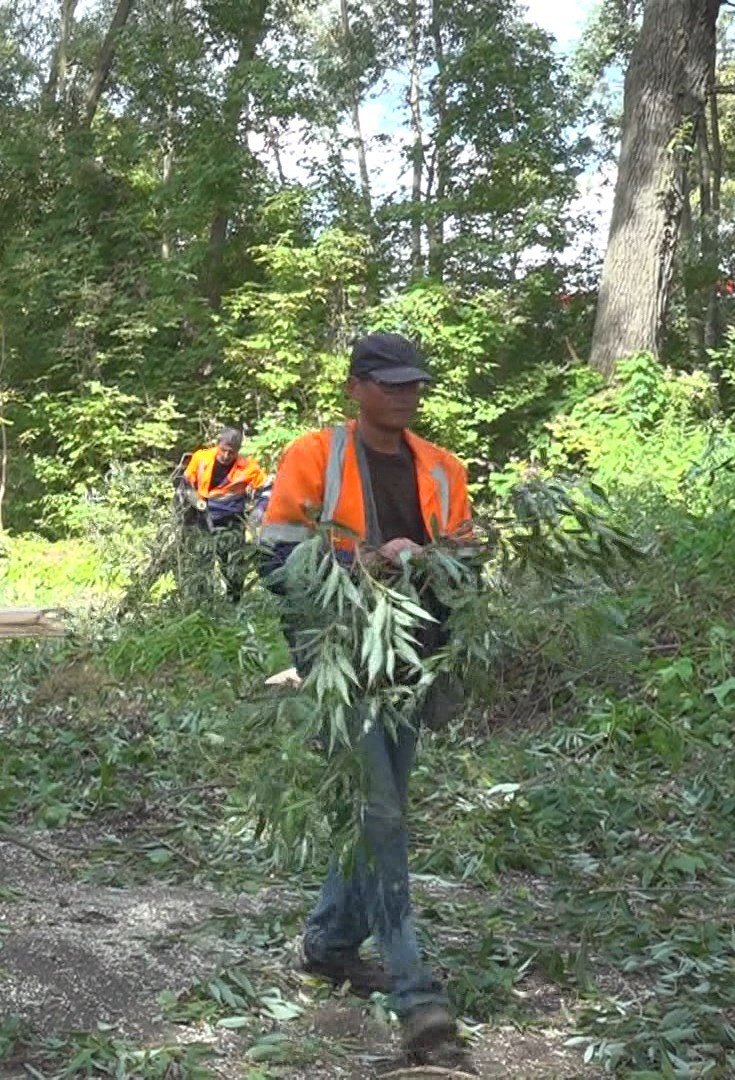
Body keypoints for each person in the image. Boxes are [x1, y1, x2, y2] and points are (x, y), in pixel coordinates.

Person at [257, 332, 476, 1067]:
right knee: (380, 814)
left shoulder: (443, 470)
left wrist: (436, 561)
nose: (405, 395)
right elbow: (279, 560)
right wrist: (362, 560)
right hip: (337, 663)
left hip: (410, 665)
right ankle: (418, 995)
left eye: (414, 384)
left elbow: (466, 568)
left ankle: (328, 943)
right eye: (390, 384)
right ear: (356, 387)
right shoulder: (312, 457)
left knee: (376, 811)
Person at [177, 427, 268, 601]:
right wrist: (192, 503)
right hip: (201, 520)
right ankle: (202, 604)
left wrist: (259, 509)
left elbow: (269, 488)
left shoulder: (248, 467)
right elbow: (185, 485)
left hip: (232, 523)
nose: (226, 456)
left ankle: (233, 604)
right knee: (201, 566)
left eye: (231, 453)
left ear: (238, 451)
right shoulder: (201, 458)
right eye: (223, 450)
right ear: (217, 445)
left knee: (233, 568)